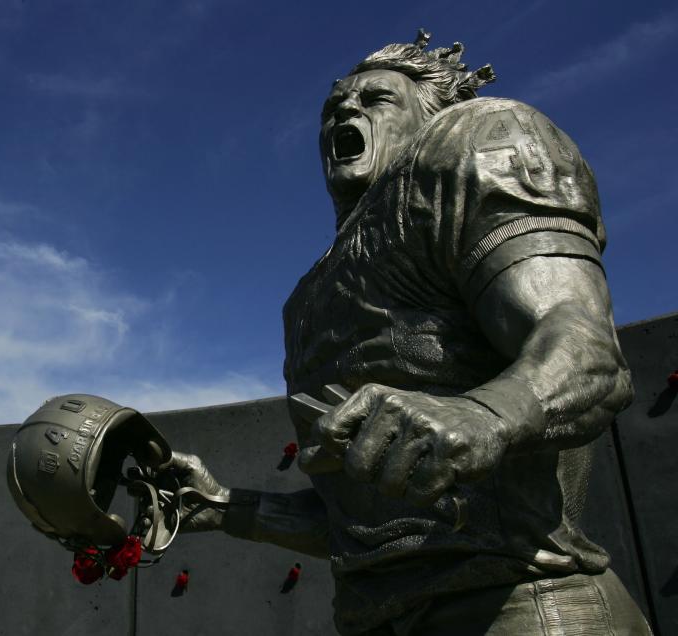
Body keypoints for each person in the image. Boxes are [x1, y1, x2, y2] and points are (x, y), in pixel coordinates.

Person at [161, 30, 651, 634]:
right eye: (333, 107)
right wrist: (225, 506)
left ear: (427, 113)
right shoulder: (309, 298)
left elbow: (584, 346)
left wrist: (485, 415)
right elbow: (371, 525)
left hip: (523, 604)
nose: (346, 110)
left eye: (376, 99)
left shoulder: (478, 140)